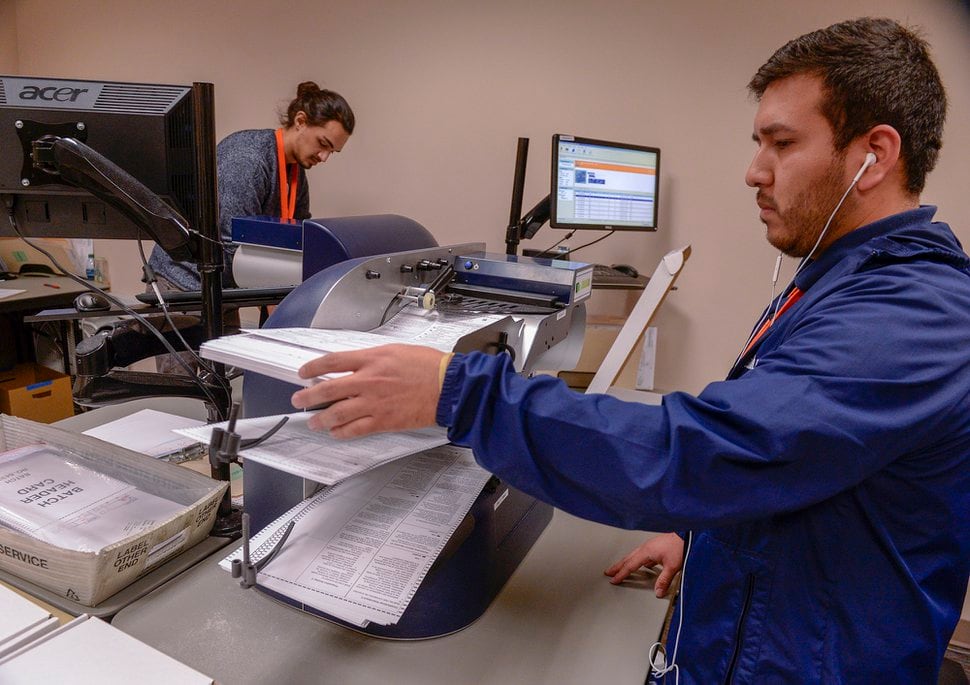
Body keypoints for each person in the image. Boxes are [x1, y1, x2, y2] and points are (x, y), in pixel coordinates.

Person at [288, 17, 969, 684]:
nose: (753, 172)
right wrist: (700, 537)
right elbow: (795, 456)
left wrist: (456, 391)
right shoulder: (837, 279)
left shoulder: (911, 315)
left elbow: (713, 452)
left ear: (872, 155)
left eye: (781, 143)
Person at [147, 80, 355, 292]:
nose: (324, 157)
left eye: (333, 151)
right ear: (300, 121)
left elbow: (297, 241)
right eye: (323, 143)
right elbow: (232, 243)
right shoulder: (248, 159)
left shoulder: (296, 172)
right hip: (182, 283)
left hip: (221, 289)